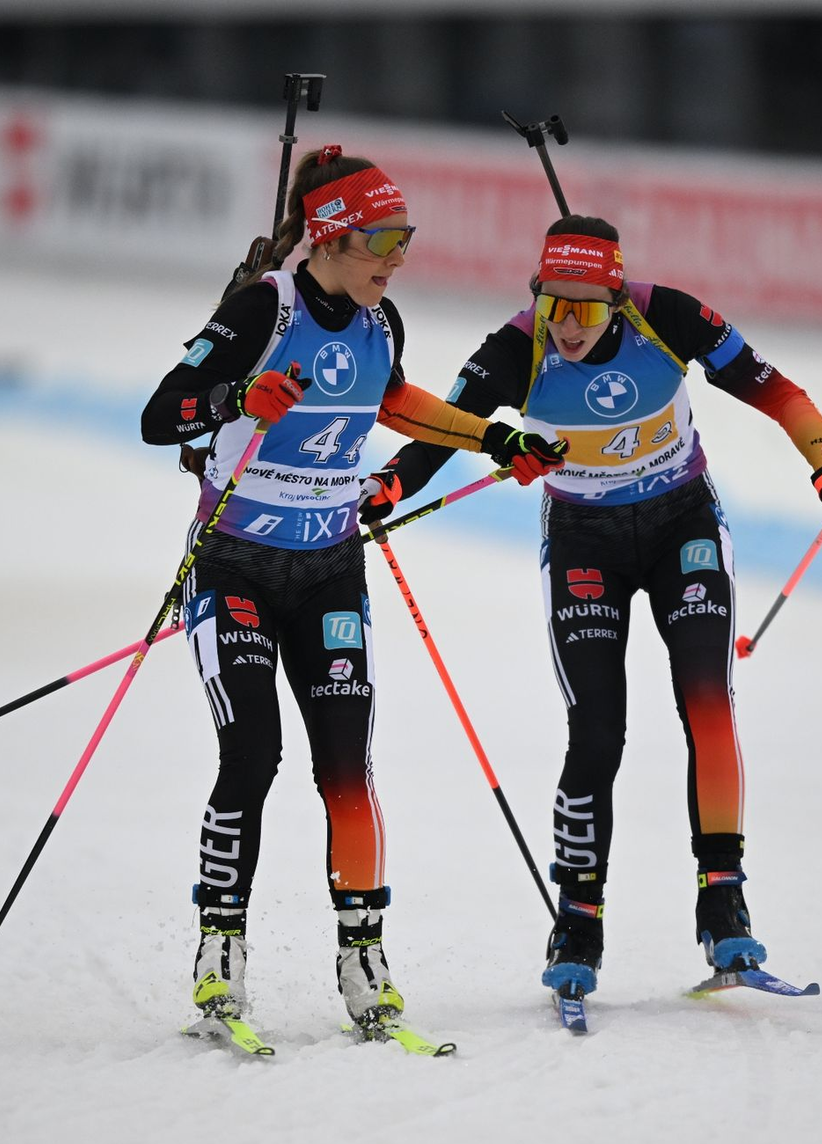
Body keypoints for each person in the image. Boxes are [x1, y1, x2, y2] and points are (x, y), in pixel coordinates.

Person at [361, 215, 822, 999]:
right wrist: (387, 486)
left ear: (616, 298)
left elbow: (778, 389)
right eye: (554, 306)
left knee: (706, 702)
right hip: (583, 540)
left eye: (587, 309)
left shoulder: (669, 315)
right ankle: (579, 917)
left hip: (682, 525)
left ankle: (723, 901)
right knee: (598, 728)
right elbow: (439, 432)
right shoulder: (517, 346)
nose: (568, 327)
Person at [140, 145, 565, 1032]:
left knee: (347, 767)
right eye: (383, 239)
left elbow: (395, 401)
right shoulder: (267, 306)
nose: (396, 257)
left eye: (404, 240)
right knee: (253, 754)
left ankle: (364, 957)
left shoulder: (382, 320)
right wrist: (237, 400)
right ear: (332, 237)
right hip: (236, 566)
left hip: (330, 568)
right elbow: (161, 413)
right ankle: (222, 948)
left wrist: (492, 438)